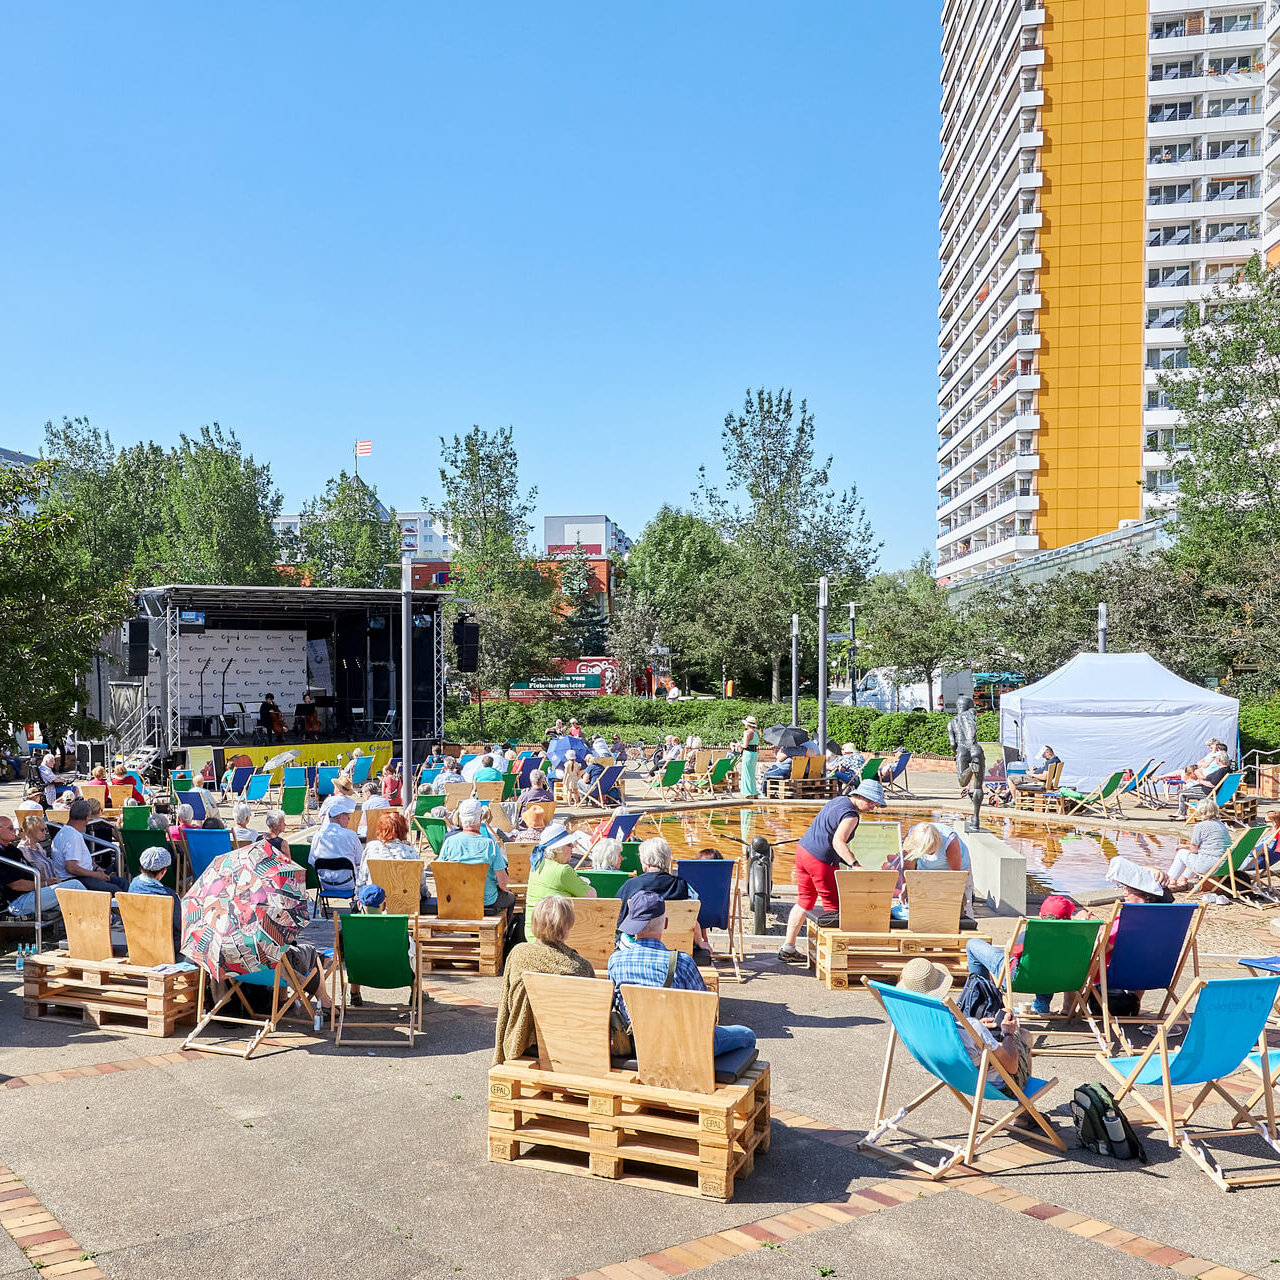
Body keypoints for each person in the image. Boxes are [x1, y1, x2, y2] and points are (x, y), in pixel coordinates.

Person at [607, 891, 756, 1057]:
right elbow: (707, 1013)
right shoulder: (682, 962)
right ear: (665, 923)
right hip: (682, 1047)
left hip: (636, 1044)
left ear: (632, 923)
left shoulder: (616, 961)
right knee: (747, 1035)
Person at [777, 781, 888, 963]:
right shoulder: (851, 816)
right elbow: (838, 841)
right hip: (820, 861)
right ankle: (833, 957)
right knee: (834, 909)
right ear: (860, 796)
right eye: (871, 802)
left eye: (876, 804)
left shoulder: (838, 800)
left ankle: (788, 947)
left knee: (804, 901)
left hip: (803, 851)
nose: (873, 807)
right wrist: (854, 864)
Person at [897, 957, 1032, 1094]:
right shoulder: (971, 1028)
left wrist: (970, 1026)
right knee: (1024, 1035)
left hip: (953, 1077)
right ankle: (1026, 1111)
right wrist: (1008, 1033)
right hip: (994, 1085)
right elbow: (1012, 1067)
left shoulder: (912, 1023)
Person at [493, 895, 596, 1064]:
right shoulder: (581, 967)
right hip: (567, 1045)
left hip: (522, 1042)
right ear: (566, 926)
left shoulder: (518, 954)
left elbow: (506, 1006)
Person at [965, 893, 1078, 1015]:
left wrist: (1010, 944)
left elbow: (1011, 950)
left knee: (972, 944)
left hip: (1018, 979)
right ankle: (1042, 1004)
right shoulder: (1079, 940)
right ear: (1069, 918)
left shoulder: (1030, 936)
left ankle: (985, 1002)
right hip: (1055, 982)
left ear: (1041, 915)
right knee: (1047, 963)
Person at [615, 838, 706, 952]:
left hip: (634, 947)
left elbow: (619, 921)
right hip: (677, 946)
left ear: (646, 862)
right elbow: (693, 918)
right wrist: (701, 942)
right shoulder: (683, 886)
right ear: (667, 860)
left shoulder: (630, 886)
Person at [435, 798, 513, 916]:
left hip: (458, 898)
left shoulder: (450, 842)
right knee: (511, 898)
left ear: (461, 818)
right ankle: (507, 932)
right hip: (486, 901)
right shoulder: (489, 845)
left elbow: (440, 874)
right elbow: (503, 883)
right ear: (480, 818)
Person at [3, 814, 88, 916]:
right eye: (10, 828)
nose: (15, 830)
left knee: (72, 903)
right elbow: (15, 885)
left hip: (34, 894)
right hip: (19, 902)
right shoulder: (5, 853)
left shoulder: (12, 850)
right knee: (75, 885)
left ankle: (99, 921)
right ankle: (104, 915)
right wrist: (45, 884)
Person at [52, 799, 129, 894]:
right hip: (75, 879)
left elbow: (82, 859)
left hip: (83, 875)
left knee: (122, 883)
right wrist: (95, 874)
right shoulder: (72, 835)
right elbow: (71, 868)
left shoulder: (68, 832)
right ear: (87, 818)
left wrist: (97, 869)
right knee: (116, 890)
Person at [900, 820, 974, 917]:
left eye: (932, 850)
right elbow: (908, 869)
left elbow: (955, 875)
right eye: (926, 851)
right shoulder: (910, 840)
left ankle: (968, 922)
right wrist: (907, 886)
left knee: (962, 903)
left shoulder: (950, 840)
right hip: (926, 867)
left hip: (957, 868)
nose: (930, 854)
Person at [1157, 797, 1233, 891]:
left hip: (1210, 865)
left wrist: (1185, 848)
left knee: (1181, 853)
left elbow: (1194, 849)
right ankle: (1183, 879)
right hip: (1225, 864)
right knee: (1195, 855)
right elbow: (1208, 847)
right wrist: (1186, 846)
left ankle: (1171, 880)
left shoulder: (1200, 827)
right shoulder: (1222, 825)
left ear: (1201, 812)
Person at [526, 824, 597, 910]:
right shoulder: (563, 871)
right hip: (553, 922)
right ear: (558, 849)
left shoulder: (537, 865)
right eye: (569, 844)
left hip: (535, 922)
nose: (573, 846)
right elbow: (592, 895)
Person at [127, 847, 183, 948]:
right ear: (163, 871)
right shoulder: (168, 895)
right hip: (166, 945)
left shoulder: (133, 884)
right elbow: (179, 926)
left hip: (138, 941)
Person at [309, 795, 365, 894]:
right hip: (348, 884)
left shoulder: (318, 835)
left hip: (325, 884)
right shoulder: (351, 835)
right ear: (340, 817)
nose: (349, 820)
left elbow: (312, 861)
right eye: (348, 817)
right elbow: (359, 860)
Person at [738, 717, 760, 799]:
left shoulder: (747, 733)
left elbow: (745, 745)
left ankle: (748, 792)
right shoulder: (757, 733)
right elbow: (756, 744)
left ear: (748, 724)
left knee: (746, 773)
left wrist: (738, 745)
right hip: (754, 753)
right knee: (751, 773)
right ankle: (754, 791)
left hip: (748, 753)